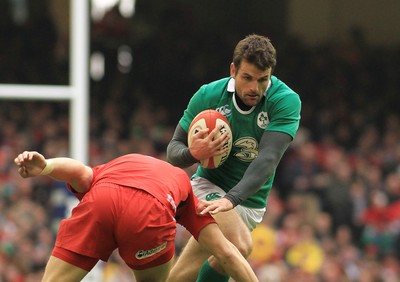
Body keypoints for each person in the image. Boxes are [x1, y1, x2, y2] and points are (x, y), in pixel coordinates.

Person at [166, 34, 301, 281]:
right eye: (247, 78)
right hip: (208, 187)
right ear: (233, 70)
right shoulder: (209, 95)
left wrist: (233, 199)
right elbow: (173, 150)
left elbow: (268, 157)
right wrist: (192, 153)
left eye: (263, 80)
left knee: (180, 277)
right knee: (239, 246)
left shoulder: (285, 100)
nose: (254, 88)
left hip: (248, 201)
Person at [14, 151, 259, 282]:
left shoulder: (119, 165)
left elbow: (79, 171)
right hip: (149, 210)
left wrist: (46, 166)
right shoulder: (187, 195)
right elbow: (227, 253)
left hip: (100, 199)